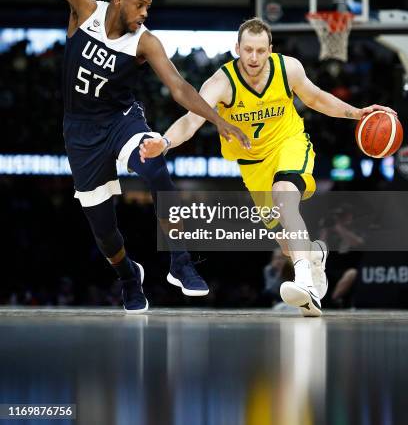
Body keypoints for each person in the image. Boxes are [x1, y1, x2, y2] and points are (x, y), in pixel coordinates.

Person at [15, 0, 250, 314]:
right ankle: (129, 276)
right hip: (79, 133)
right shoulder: (85, 8)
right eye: (140, 5)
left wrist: (217, 119)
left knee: (155, 161)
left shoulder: (147, 43)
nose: (146, 14)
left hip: (121, 121)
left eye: (148, 8)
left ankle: (179, 261)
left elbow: (180, 89)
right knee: (105, 233)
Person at [140, 17, 397, 316]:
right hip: (253, 164)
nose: (253, 57)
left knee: (284, 197)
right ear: (237, 48)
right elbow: (192, 120)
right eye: (248, 50)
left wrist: (358, 113)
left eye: (260, 51)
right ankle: (314, 255)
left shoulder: (288, 69)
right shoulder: (221, 82)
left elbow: (315, 98)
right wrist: (165, 142)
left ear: (270, 49)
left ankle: (305, 283)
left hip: (289, 144)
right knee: (287, 245)